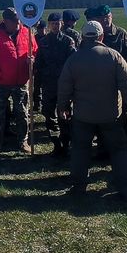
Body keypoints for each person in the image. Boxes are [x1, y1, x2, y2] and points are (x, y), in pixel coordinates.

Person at [56, 20, 127, 200]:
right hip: (111, 115)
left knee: (80, 150)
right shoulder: (114, 56)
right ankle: (126, 188)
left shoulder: (74, 59)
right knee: (118, 151)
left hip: (83, 116)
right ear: (101, 36)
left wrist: (62, 107)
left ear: (83, 37)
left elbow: (64, 87)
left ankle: (78, 188)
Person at [0, 7, 36, 154]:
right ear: (5, 21)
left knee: (22, 113)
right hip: (2, 82)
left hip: (21, 81)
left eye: (18, 20)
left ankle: (23, 141)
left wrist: (32, 60)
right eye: (14, 21)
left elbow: (35, 50)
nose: (17, 23)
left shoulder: (27, 33)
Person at [35, 13, 77, 156]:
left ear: (61, 24)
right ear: (49, 24)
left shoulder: (68, 41)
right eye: (52, 23)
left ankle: (66, 143)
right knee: (49, 114)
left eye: (57, 23)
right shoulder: (44, 42)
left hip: (64, 84)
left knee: (65, 114)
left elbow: (72, 63)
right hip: (48, 85)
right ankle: (56, 143)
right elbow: (39, 63)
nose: (55, 26)